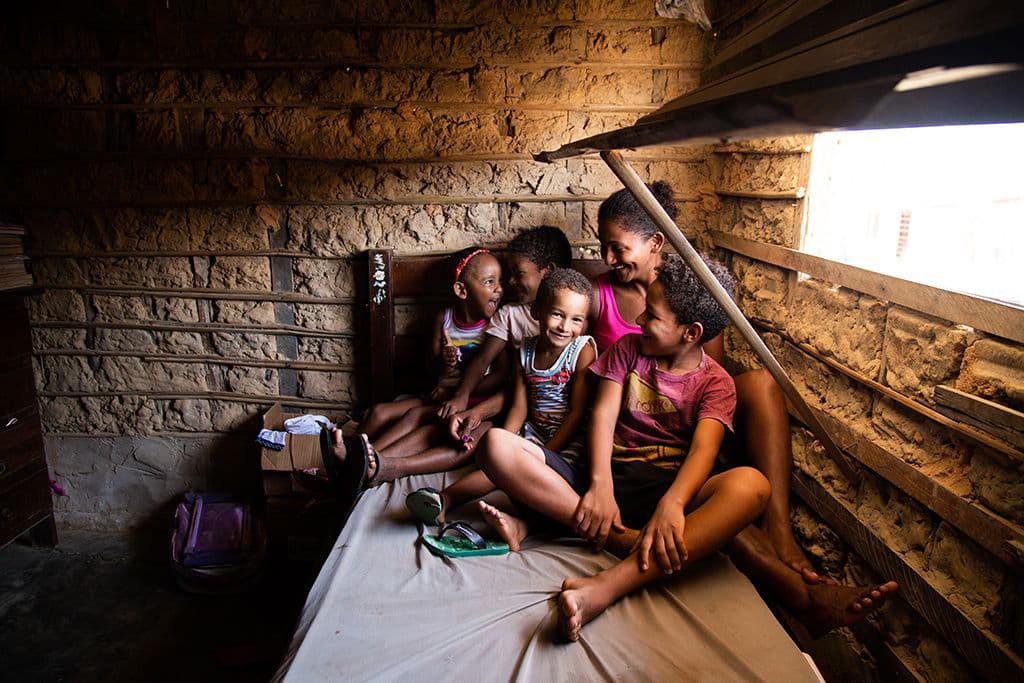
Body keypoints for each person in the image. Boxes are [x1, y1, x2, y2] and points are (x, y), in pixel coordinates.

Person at [585, 182, 898, 634]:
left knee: (761, 384)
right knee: (709, 507)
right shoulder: (604, 296)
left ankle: (781, 534)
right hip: (635, 426)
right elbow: (576, 355)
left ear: (655, 243)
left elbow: (712, 372)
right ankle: (799, 595)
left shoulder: (691, 287)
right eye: (603, 249)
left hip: (689, 420)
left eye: (618, 248)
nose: (609, 259)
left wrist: (698, 429)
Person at [476, 255, 779, 640]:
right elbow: (602, 415)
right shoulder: (628, 350)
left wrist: (673, 505)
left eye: (651, 316)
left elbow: (704, 450)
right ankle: (621, 539)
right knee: (495, 445)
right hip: (599, 478)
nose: (639, 321)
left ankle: (609, 583)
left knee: (752, 486)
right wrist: (600, 485)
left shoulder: (717, 383)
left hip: (662, 489)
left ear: (691, 332)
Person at [405, 268, 596, 525]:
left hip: (567, 447)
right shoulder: (525, 350)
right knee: (493, 469)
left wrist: (543, 454)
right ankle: (444, 500)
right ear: (537, 311)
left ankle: (523, 523)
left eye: (576, 320)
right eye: (557, 314)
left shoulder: (582, 351)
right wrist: (505, 444)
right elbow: (519, 407)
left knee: (529, 476)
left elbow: (577, 413)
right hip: (533, 435)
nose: (565, 327)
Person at [322, 247, 503, 491]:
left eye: (500, 281)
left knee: (423, 423)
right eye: (490, 282)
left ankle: (364, 463)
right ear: (461, 290)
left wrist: (459, 393)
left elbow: (502, 376)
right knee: (379, 412)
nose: (499, 289)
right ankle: (356, 456)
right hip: (442, 395)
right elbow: (429, 366)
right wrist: (444, 361)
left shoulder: (498, 326)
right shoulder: (445, 319)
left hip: (472, 400)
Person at [438, 225, 574, 439]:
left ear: (547, 271)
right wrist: (461, 395)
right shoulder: (510, 314)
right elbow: (483, 359)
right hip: (513, 402)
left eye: (518, 273)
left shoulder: (572, 319)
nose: (510, 282)